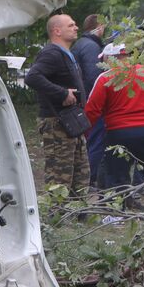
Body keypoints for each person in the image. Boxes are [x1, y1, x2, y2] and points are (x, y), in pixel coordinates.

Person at [84, 44, 144, 206]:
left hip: (118, 132)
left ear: (110, 58)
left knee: (115, 172)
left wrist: (85, 135)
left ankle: (116, 213)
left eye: (104, 58)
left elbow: (92, 110)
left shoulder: (106, 77)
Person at [24, 14, 89, 199]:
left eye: (75, 24)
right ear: (57, 31)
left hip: (71, 122)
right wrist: (61, 93)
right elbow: (32, 77)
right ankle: (56, 216)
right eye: (71, 25)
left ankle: (79, 213)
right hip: (56, 123)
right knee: (60, 174)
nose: (76, 27)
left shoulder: (67, 54)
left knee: (80, 171)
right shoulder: (51, 53)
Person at [72, 14, 108, 188]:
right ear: (99, 27)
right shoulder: (92, 47)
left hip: (81, 101)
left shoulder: (80, 44)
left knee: (88, 142)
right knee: (96, 141)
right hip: (91, 103)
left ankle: (86, 178)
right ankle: (90, 179)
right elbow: (95, 76)